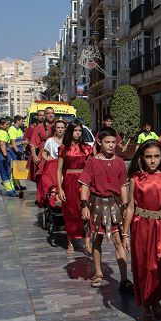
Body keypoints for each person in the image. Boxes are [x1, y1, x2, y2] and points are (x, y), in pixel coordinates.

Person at [123, 140, 161, 321]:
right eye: (148, 157)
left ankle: (156, 300)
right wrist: (124, 233)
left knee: (160, 268)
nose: (152, 161)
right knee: (144, 268)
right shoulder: (136, 179)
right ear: (141, 158)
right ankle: (145, 309)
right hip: (141, 227)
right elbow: (130, 207)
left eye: (156, 156)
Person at [79, 128, 129, 289]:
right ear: (99, 142)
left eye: (114, 142)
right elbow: (85, 185)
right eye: (107, 142)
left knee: (118, 241)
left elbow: (123, 186)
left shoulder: (120, 161)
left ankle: (124, 278)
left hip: (115, 205)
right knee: (97, 239)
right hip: (97, 204)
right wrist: (84, 205)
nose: (111, 145)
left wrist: (126, 205)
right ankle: (98, 273)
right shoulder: (92, 161)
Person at [57, 120, 93, 254]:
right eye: (75, 130)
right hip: (69, 181)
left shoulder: (87, 148)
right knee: (70, 212)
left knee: (85, 211)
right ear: (70, 131)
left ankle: (87, 242)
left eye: (79, 131)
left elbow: (90, 169)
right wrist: (59, 188)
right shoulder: (63, 148)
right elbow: (59, 170)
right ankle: (70, 241)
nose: (77, 133)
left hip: (83, 182)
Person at [36, 119, 66, 204]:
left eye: (62, 127)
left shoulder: (68, 140)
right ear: (55, 129)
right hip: (53, 165)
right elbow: (43, 154)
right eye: (58, 127)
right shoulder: (50, 141)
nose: (60, 129)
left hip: (65, 164)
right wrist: (49, 159)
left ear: (65, 129)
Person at [26, 106, 56, 182]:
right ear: (45, 115)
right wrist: (34, 156)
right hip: (43, 157)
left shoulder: (59, 126)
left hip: (56, 156)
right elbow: (33, 143)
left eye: (52, 113)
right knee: (42, 180)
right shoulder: (39, 127)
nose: (51, 115)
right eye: (48, 113)